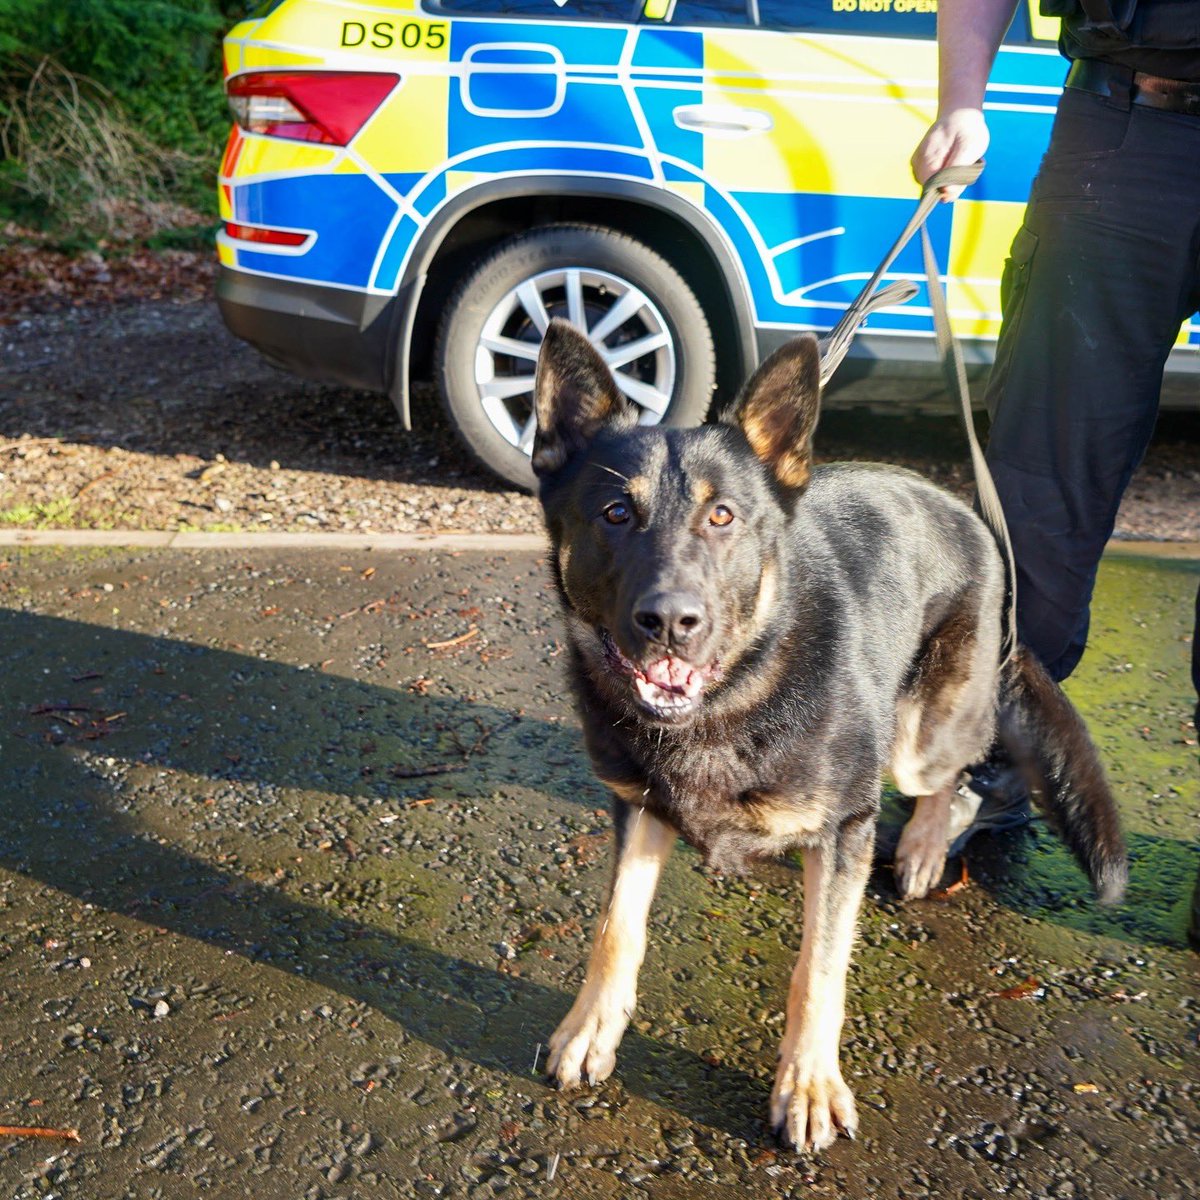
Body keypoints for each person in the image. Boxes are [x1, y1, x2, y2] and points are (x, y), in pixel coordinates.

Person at [908, 0, 1200, 919]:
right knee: (1040, 480)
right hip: (1126, 132)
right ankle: (984, 765)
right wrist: (963, 97)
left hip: (1124, 139)